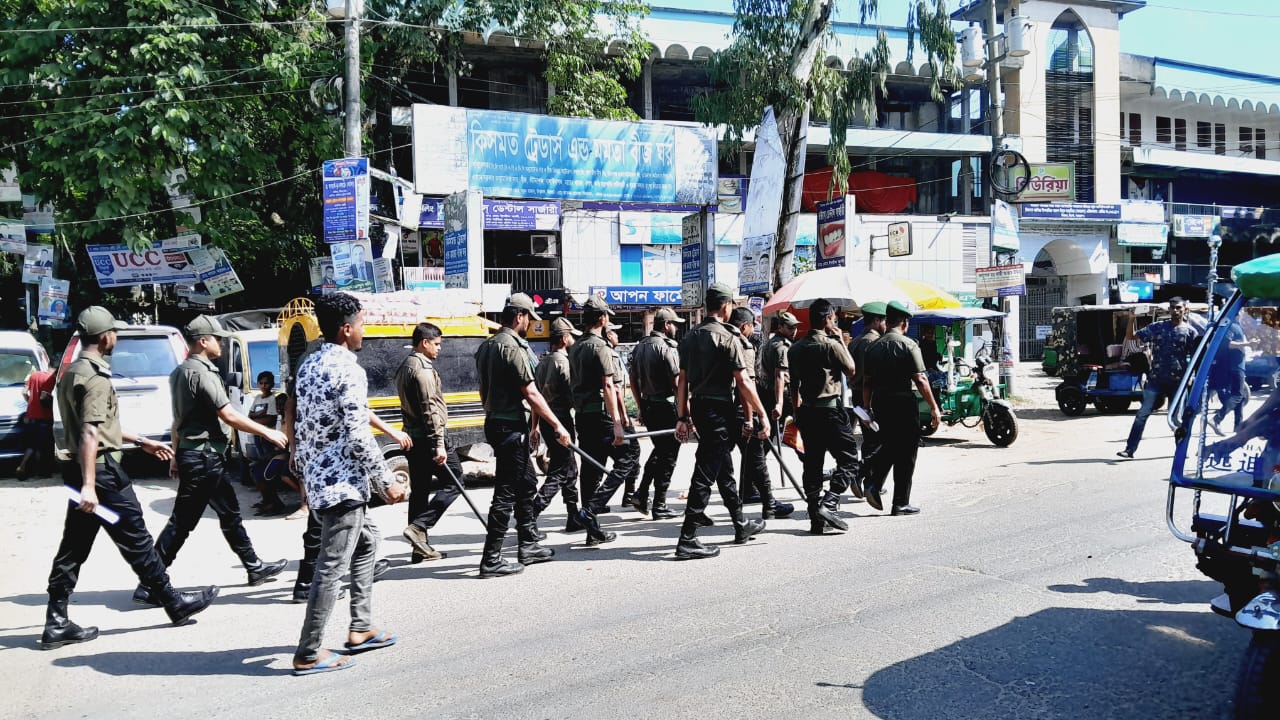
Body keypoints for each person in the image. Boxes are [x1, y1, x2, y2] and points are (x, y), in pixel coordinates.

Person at [41, 306, 218, 651]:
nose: (117, 338)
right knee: (136, 539)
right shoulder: (95, 378)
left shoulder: (72, 373)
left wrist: (140, 441)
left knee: (74, 546)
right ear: (105, 336)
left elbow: (99, 425)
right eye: (115, 333)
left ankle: (56, 620)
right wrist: (91, 486)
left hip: (79, 472)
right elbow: (90, 433)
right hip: (102, 476)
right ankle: (173, 602)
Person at [132, 316, 290, 606]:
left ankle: (254, 566)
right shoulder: (203, 373)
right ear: (203, 341)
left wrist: (177, 455)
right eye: (217, 339)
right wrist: (267, 431)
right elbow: (228, 415)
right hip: (203, 457)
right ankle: (149, 584)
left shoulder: (180, 372)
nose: (221, 344)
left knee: (229, 514)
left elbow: (178, 419)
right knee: (182, 523)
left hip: (201, 455)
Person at [292, 293, 406, 676]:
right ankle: (308, 652)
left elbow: (304, 424)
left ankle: (361, 627)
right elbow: (358, 434)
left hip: (320, 478)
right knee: (330, 567)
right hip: (343, 485)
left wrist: (305, 472)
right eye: (360, 324)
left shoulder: (309, 364)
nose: (363, 331)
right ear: (345, 329)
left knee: (368, 542)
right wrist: (386, 480)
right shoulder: (349, 370)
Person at [474, 293, 570, 577]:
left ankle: (527, 544)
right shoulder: (513, 347)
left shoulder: (487, 346)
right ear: (519, 316)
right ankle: (491, 558)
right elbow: (531, 392)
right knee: (505, 491)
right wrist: (557, 425)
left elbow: (483, 390)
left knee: (527, 482)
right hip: (509, 425)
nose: (529, 323)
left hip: (497, 421)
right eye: (528, 318)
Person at [673, 282, 768, 559]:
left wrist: (682, 416)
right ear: (726, 306)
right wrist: (761, 413)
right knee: (705, 474)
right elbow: (744, 381)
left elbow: (682, 382)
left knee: (724, 470)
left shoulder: (690, 337)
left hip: (700, 408)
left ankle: (740, 524)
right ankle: (687, 538)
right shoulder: (728, 337)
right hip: (719, 409)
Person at [570, 296, 642, 543]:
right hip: (601, 415)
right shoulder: (600, 347)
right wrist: (618, 423)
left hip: (583, 415)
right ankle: (591, 509)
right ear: (602, 319)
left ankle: (592, 531)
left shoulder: (576, 347)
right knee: (629, 456)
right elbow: (609, 386)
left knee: (590, 469)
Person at [788, 298, 862, 534]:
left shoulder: (795, 348)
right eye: (833, 318)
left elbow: (793, 386)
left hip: (807, 411)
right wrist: (840, 341)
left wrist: (796, 412)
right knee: (849, 460)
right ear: (828, 319)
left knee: (812, 463)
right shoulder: (831, 345)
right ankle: (829, 503)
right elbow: (851, 369)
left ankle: (815, 517)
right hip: (830, 410)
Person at [862, 300, 941, 515]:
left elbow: (867, 382)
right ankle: (900, 502)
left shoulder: (873, 347)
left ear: (887, 321)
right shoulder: (908, 344)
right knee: (906, 452)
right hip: (902, 403)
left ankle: (873, 482)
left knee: (890, 445)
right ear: (905, 323)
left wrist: (867, 408)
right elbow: (921, 379)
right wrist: (934, 408)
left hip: (880, 403)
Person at [396, 322, 464, 562]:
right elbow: (429, 409)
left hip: (413, 437)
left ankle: (419, 548)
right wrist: (439, 443)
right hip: (428, 438)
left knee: (420, 490)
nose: (439, 349)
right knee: (455, 480)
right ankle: (419, 526)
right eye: (436, 344)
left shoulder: (406, 365)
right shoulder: (422, 369)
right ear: (424, 343)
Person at [1118, 297, 1199, 459]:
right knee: (1142, 414)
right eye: (1172, 307)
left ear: (1185, 309)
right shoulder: (1158, 327)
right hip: (1156, 379)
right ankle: (1130, 449)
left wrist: (1192, 377)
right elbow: (1132, 337)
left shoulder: (1190, 332)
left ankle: (1181, 451)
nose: (1175, 310)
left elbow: (1195, 358)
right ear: (1169, 309)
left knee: (1176, 418)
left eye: (1178, 307)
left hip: (1178, 382)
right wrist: (1131, 319)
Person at [729, 307, 791, 519]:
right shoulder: (742, 345)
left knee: (717, 462)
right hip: (741, 409)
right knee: (757, 457)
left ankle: (745, 495)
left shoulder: (720, 339)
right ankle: (769, 505)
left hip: (722, 409)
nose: (752, 330)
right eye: (751, 326)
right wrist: (753, 417)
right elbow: (745, 384)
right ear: (744, 326)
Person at [628, 307, 684, 519]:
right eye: (674, 324)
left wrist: (641, 407)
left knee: (660, 451)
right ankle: (659, 503)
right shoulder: (666, 347)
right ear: (666, 325)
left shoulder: (640, 346)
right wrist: (685, 415)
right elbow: (677, 384)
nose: (676, 328)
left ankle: (642, 493)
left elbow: (633, 379)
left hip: (649, 406)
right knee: (668, 456)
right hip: (666, 407)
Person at [533, 317, 584, 531]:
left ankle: (573, 515)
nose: (573, 340)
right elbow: (572, 395)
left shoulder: (542, 362)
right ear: (564, 338)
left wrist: (534, 427)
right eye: (571, 336)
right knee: (561, 470)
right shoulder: (563, 363)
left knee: (569, 467)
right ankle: (532, 511)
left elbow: (536, 399)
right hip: (560, 420)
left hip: (547, 420)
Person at [605, 324, 642, 510]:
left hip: (594, 415)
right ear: (608, 335)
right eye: (615, 334)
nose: (618, 337)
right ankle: (626, 495)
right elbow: (616, 389)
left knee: (597, 459)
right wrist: (624, 416)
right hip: (613, 415)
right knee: (632, 454)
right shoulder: (609, 355)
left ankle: (593, 501)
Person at [848, 302, 887, 463]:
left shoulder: (855, 341)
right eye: (884, 321)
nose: (886, 325)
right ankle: (868, 473)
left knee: (869, 438)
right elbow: (871, 378)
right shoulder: (875, 342)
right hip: (870, 397)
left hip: (857, 395)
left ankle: (866, 472)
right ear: (876, 321)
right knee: (877, 440)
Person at [1209, 321, 1249, 436]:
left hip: (1237, 365)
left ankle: (1238, 426)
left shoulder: (1236, 325)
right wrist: (1248, 344)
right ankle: (1217, 419)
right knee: (1238, 395)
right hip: (1234, 366)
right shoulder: (1230, 324)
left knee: (1240, 395)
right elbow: (1228, 344)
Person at [16, 366, 55, 480]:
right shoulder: (50, 378)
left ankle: (23, 466)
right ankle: (41, 472)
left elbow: (24, 392)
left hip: (31, 415)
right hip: (44, 416)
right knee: (42, 446)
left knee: (32, 444)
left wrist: (31, 403)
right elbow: (44, 396)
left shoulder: (34, 375)